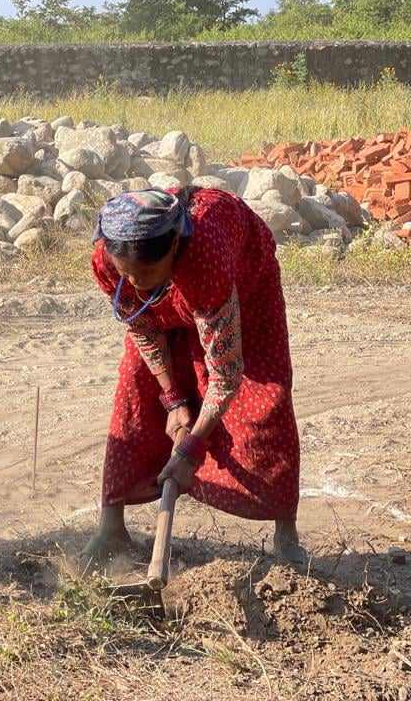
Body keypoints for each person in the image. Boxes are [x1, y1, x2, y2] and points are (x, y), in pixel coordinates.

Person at [82, 186, 305, 567]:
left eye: (146, 272)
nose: (135, 283)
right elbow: (142, 329)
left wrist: (190, 448)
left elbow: (226, 375)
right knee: (135, 382)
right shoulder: (108, 258)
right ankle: (111, 530)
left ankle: (286, 535)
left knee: (262, 398)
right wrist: (173, 400)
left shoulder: (205, 257)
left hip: (245, 287)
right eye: (126, 273)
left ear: (173, 247)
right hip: (175, 293)